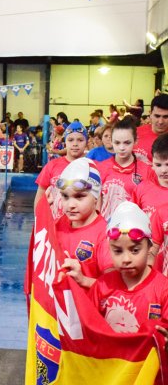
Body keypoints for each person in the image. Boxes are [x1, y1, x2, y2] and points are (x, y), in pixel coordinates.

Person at [87, 202, 168, 335]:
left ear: (149, 247)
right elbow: (86, 327)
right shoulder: (101, 286)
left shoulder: (163, 290)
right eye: (118, 251)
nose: (126, 259)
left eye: (135, 250)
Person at [56, 158, 113, 289]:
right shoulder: (57, 225)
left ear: (96, 198)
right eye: (65, 196)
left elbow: (113, 288)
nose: (70, 205)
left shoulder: (105, 235)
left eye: (79, 197)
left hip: (87, 307)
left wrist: (83, 280)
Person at [97, 119, 152, 221]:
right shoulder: (101, 168)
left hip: (135, 230)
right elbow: (96, 205)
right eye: (117, 143)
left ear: (136, 141)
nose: (122, 148)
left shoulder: (147, 170)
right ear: (111, 141)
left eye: (127, 143)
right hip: (105, 230)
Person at [34, 121, 88, 218]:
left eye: (80, 140)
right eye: (70, 140)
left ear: (86, 142)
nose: (75, 144)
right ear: (64, 142)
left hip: (82, 226)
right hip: (55, 225)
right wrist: (38, 221)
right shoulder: (52, 166)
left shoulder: (92, 166)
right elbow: (40, 197)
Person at [134, 134, 168, 217]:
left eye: (167, 164)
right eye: (158, 165)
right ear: (152, 163)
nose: (163, 170)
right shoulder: (142, 189)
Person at [134, 93, 168, 164]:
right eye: (157, 116)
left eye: (165, 117)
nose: (160, 121)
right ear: (150, 114)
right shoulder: (134, 133)